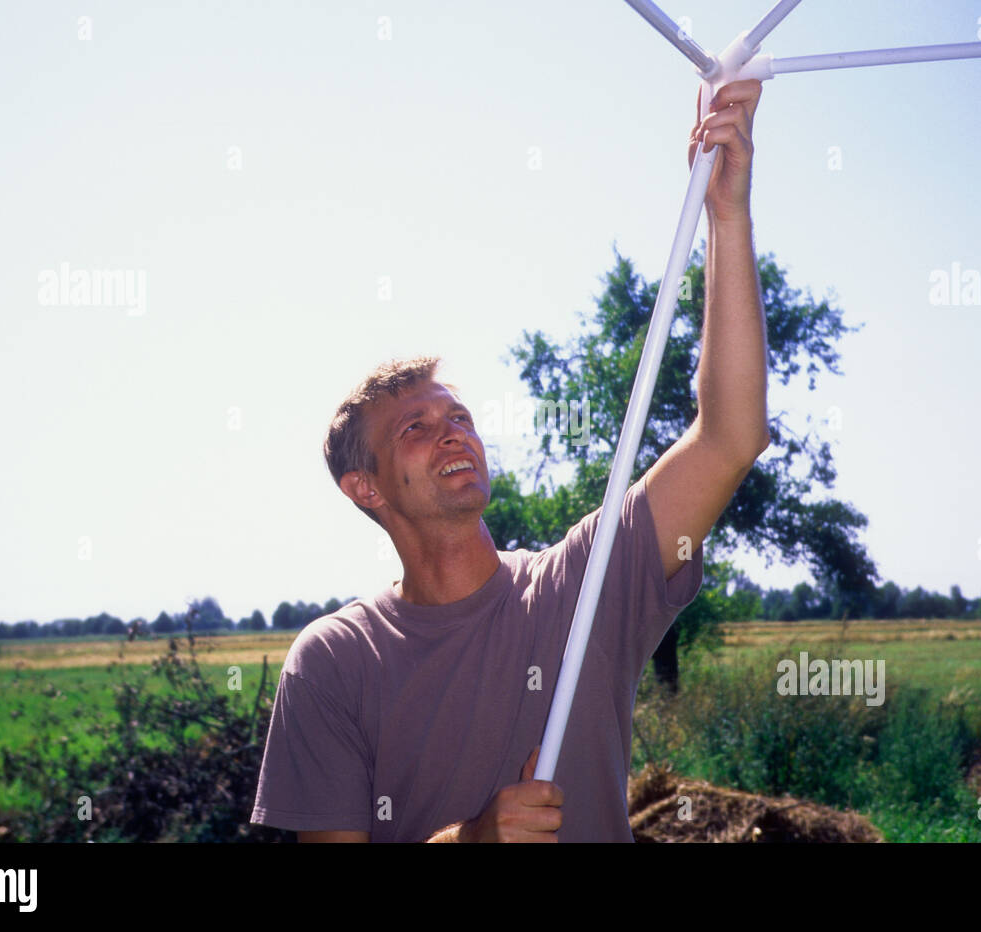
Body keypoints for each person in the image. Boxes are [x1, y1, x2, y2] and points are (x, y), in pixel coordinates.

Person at [251, 78, 769, 842]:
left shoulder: (584, 585)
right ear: (363, 488)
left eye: (459, 416)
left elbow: (731, 435)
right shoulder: (334, 660)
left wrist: (726, 215)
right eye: (415, 428)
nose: (453, 430)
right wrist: (475, 839)